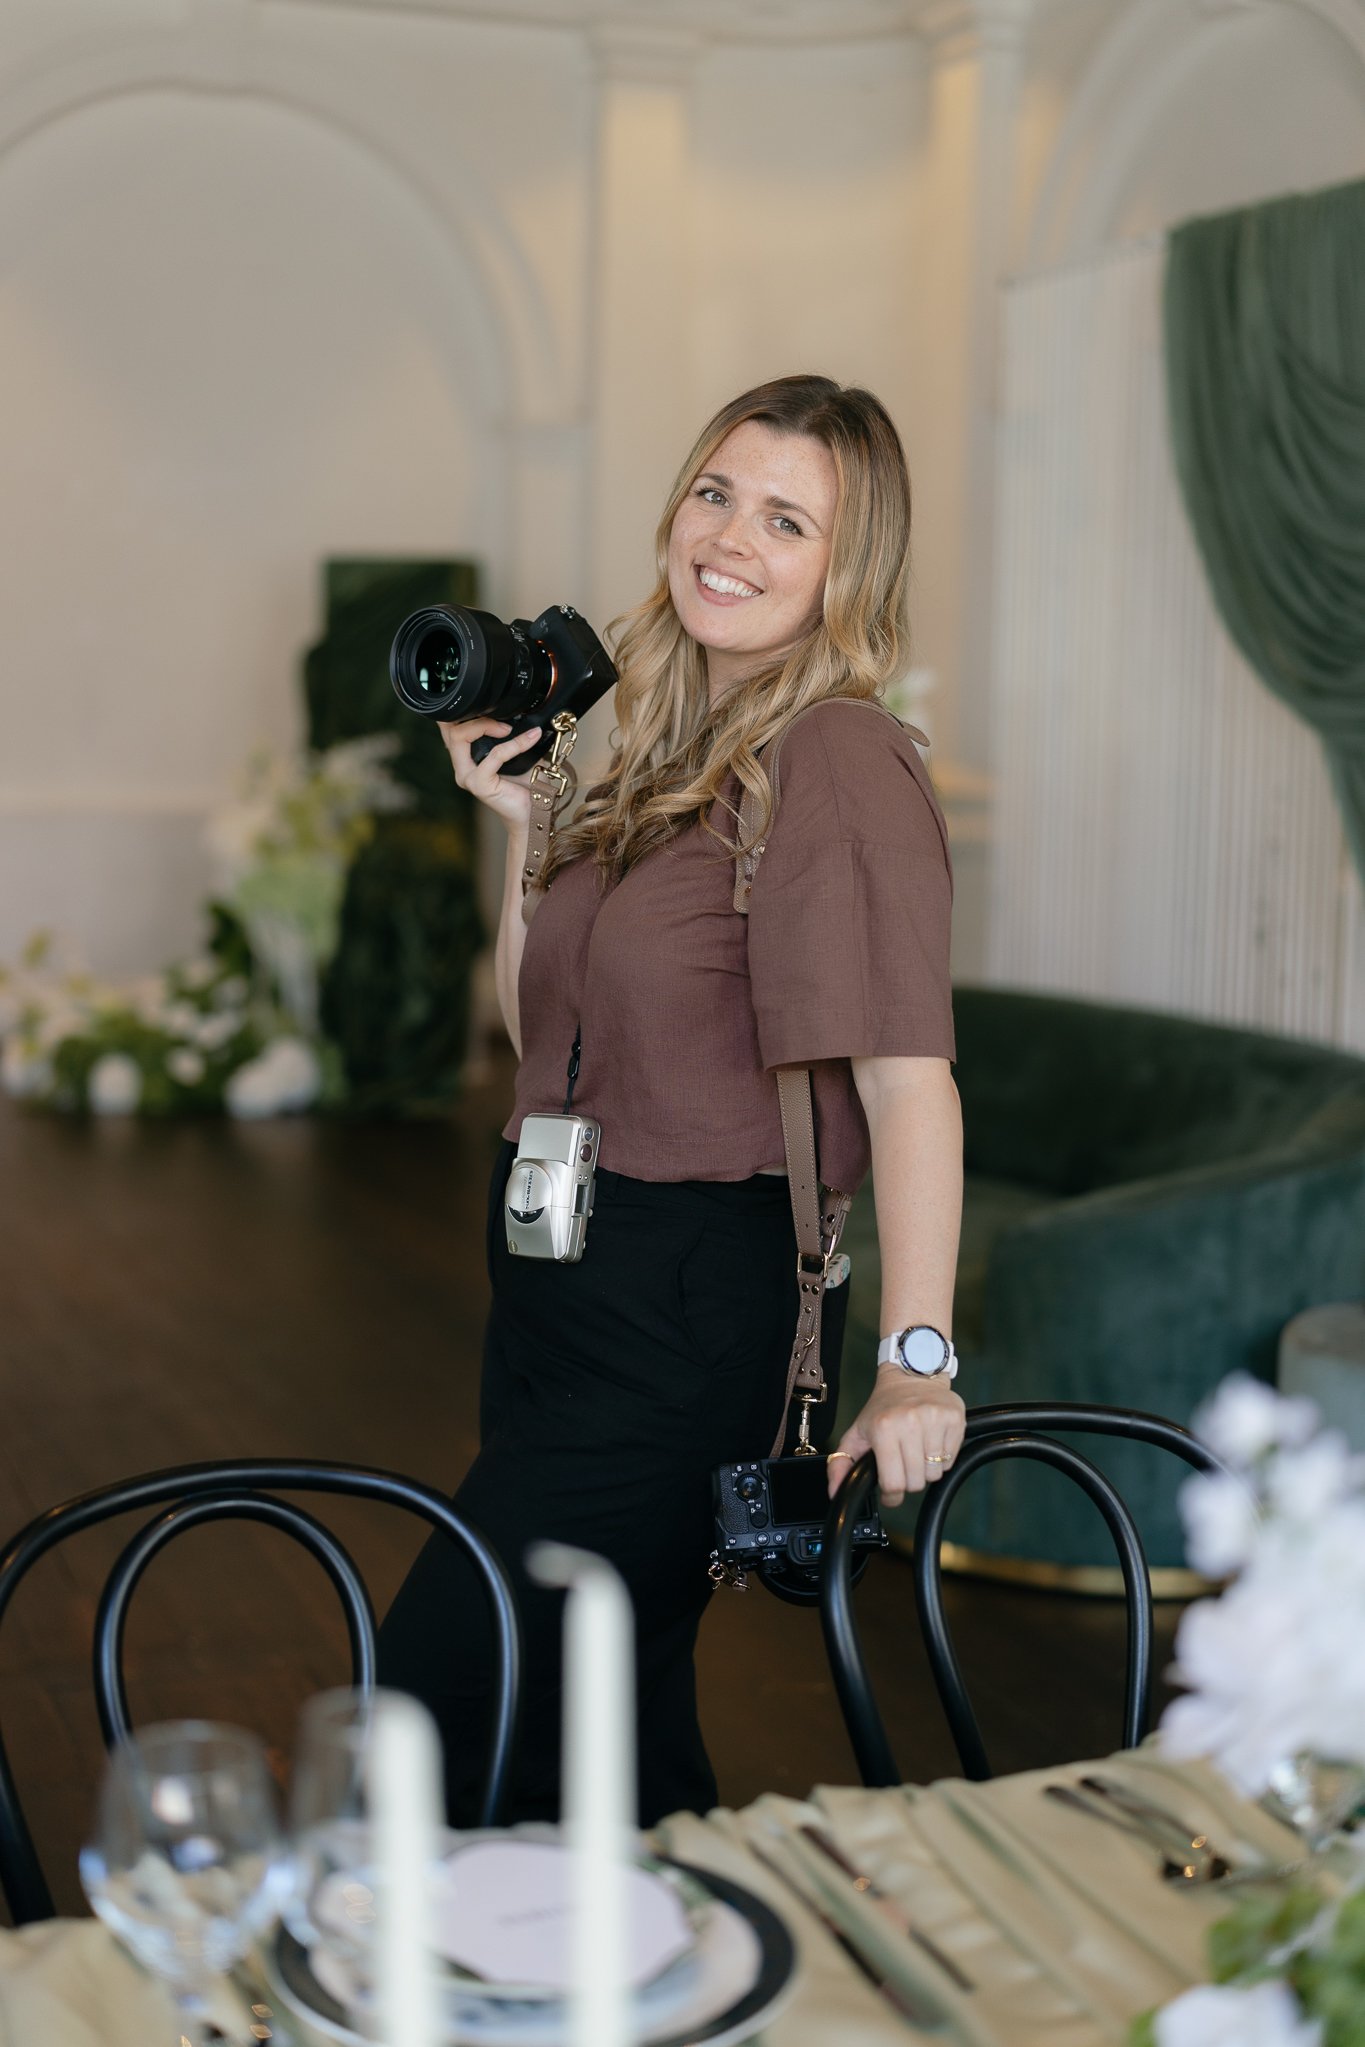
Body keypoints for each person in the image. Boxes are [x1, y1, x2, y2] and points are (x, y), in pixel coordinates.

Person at [377, 373, 963, 1826]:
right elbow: (543, 1036)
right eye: (714, 493)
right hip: (556, 1273)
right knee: (598, 1712)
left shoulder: (835, 755)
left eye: (785, 520)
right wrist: (529, 829)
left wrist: (914, 1358)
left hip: (688, 1291)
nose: (728, 538)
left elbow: (908, 1085)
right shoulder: (657, 754)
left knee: (447, 1695)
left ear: (847, 570)